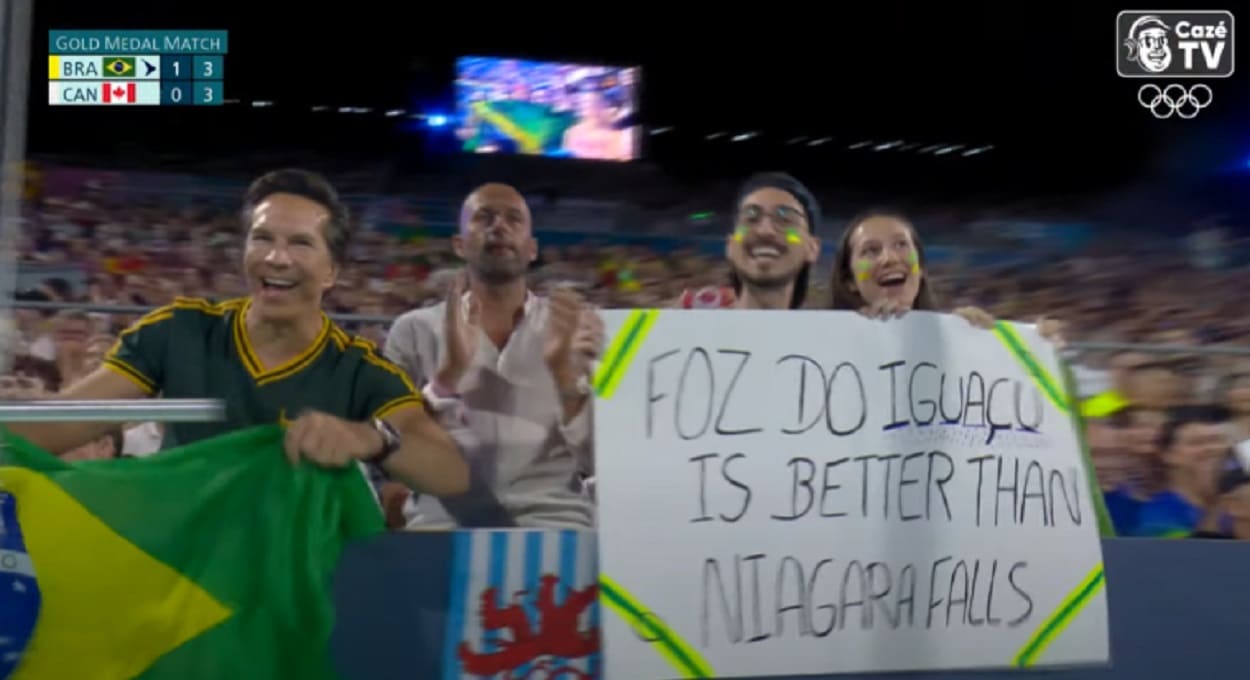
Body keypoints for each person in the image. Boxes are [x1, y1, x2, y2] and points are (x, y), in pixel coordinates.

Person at [4, 169, 469, 498]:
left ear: (331, 271)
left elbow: (449, 472)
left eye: (300, 243)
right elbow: (61, 422)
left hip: (287, 583)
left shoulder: (358, 370)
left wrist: (372, 440)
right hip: (182, 572)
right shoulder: (180, 330)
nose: (276, 258)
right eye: (262, 238)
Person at [385, 183, 603, 529]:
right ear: (459, 244)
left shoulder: (576, 328)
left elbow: (600, 461)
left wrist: (565, 377)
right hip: (442, 525)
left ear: (532, 249)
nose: (499, 226)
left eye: (513, 219)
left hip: (554, 525)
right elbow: (390, 452)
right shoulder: (413, 330)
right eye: (484, 217)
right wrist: (447, 379)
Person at [828, 208, 996, 327]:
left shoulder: (954, 335)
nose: (890, 258)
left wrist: (974, 338)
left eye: (901, 244)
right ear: (849, 280)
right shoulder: (825, 347)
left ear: (921, 267)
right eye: (871, 250)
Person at [678, 172, 822, 311]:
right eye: (751, 217)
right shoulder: (685, 320)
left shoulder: (824, 332)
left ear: (812, 248)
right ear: (730, 245)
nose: (765, 230)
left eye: (785, 219)